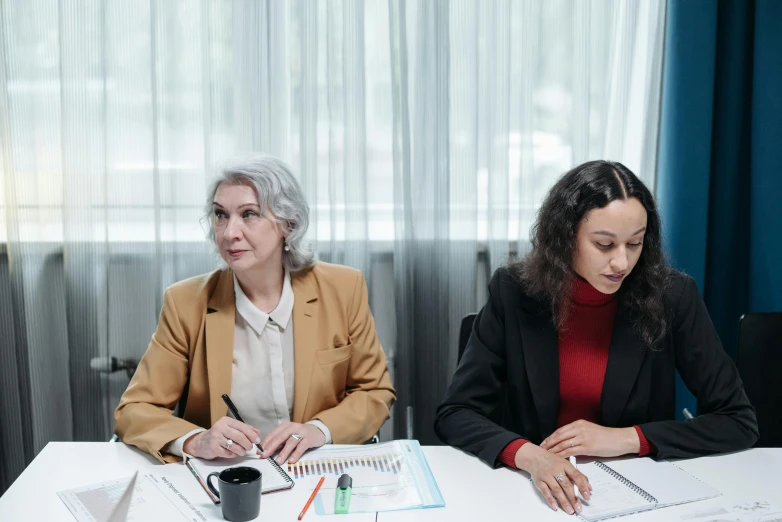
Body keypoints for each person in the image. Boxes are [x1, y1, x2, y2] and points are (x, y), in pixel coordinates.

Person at [434, 160, 758, 516]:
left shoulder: (673, 297)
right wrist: (530, 456)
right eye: (604, 245)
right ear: (564, 237)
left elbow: (738, 421)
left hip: (637, 495)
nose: (621, 262)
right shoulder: (513, 292)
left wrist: (625, 438)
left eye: (635, 243)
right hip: (529, 495)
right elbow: (456, 413)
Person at [115, 154, 396, 465]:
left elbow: (374, 392)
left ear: (288, 224)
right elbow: (135, 409)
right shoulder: (185, 302)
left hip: (314, 469)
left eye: (248, 214)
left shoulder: (343, 288)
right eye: (221, 215)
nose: (228, 233)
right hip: (228, 476)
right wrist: (196, 440)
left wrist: (319, 429)